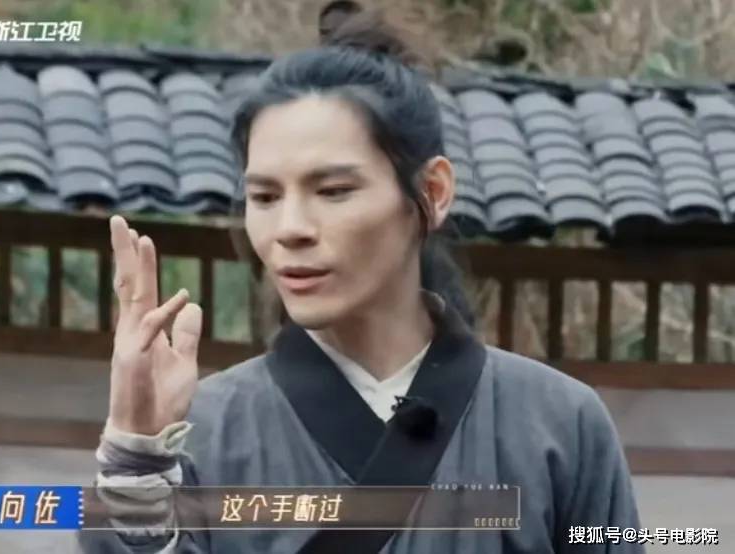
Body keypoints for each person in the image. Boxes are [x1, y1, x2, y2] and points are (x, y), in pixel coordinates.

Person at [77, 5, 643, 553]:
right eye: (265, 197)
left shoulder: (560, 423)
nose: (290, 229)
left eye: (333, 191)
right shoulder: (199, 434)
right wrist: (135, 467)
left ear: (433, 192)